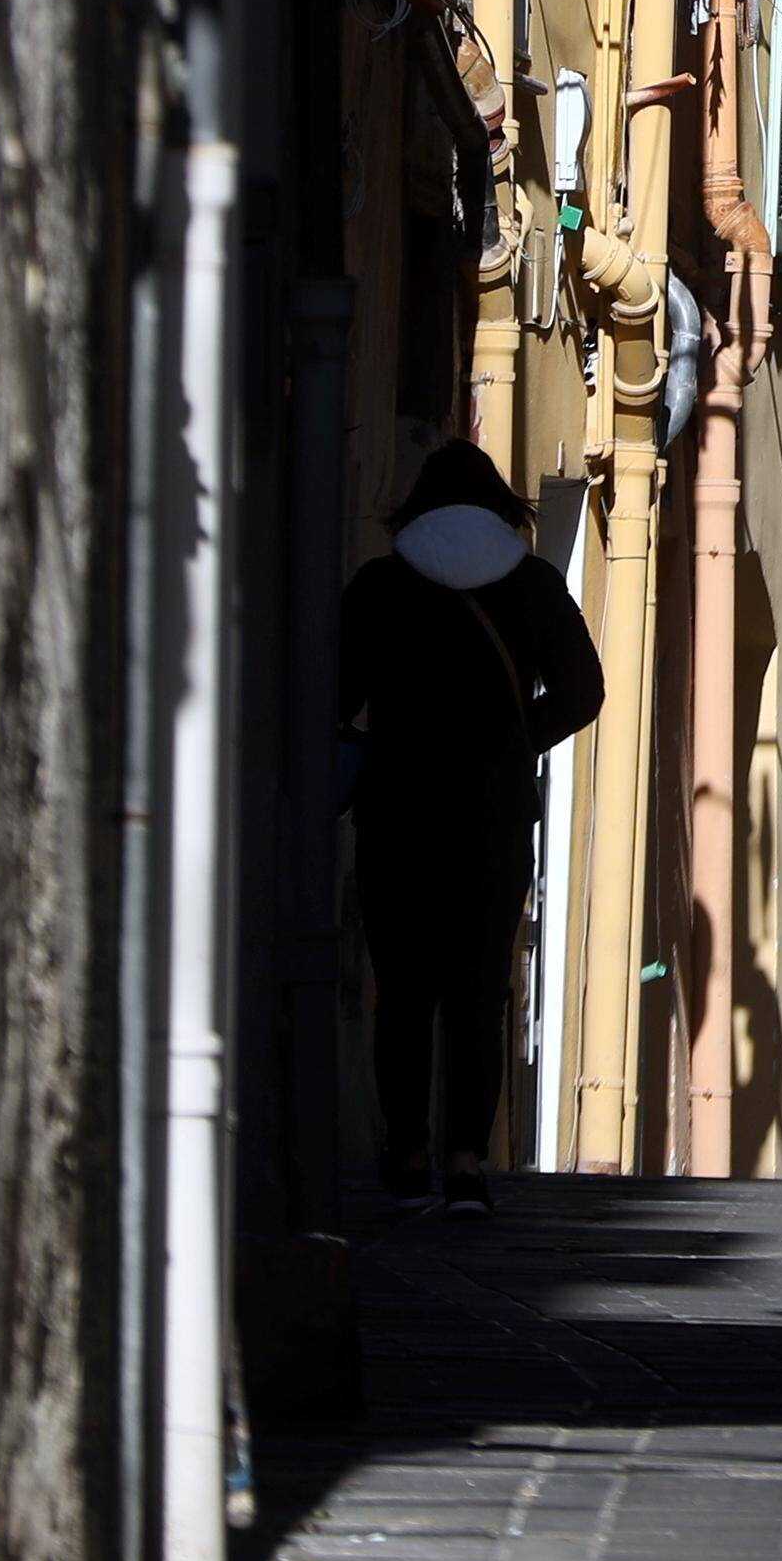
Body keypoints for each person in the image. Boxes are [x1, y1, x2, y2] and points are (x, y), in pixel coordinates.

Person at [339, 440, 604, 1214]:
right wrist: (522, 732)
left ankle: (407, 1149)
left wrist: (368, 741)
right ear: (500, 511)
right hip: (490, 819)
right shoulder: (532, 584)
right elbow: (584, 689)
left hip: (397, 812)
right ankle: (464, 1162)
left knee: (405, 988)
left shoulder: (381, 585)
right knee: (479, 988)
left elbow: (334, 688)